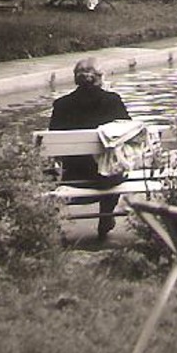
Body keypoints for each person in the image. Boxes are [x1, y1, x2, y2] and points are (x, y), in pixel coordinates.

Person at [48, 58, 132, 238]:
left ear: (76, 79)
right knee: (116, 165)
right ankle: (106, 215)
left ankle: (56, 225)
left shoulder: (61, 104)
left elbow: (52, 143)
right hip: (105, 177)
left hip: (71, 175)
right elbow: (128, 134)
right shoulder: (112, 100)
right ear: (100, 77)